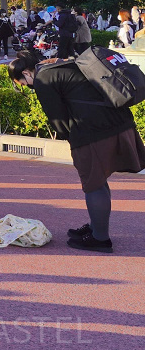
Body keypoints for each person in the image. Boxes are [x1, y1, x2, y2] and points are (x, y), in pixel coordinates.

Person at [8, 51, 145, 253]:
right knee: (98, 181)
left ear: (27, 73)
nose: (27, 86)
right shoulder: (60, 64)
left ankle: (100, 239)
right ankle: (95, 227)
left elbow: (57, 119)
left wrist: (70, 137)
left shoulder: (42, 78)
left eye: (23, 83)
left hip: (94, 131)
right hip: (120, 121)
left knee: (93, 184)